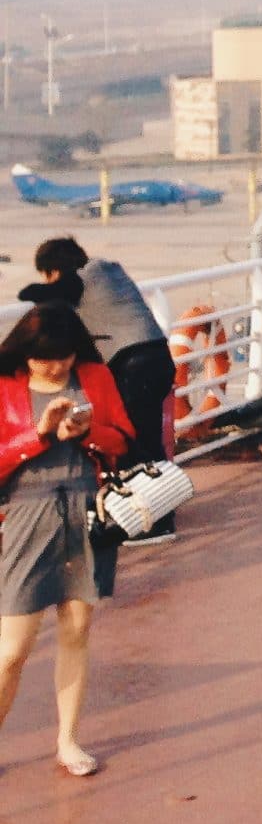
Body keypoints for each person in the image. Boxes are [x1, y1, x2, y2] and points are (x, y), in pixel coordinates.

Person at [0, 302, 134, 778]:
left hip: (87, 512)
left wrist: (87, 431)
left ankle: (68, 740)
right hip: (25, 516)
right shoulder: (5, 388)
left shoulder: (95, 377)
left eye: (64, 356)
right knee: (12, 649)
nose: (55, 366)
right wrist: (37, 435)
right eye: (43, 357)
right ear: (24, 353)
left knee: (76, 631)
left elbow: (122, 438)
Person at [25, 239, 178, 551]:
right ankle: (159, 514)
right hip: (158, 359)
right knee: (147, 443)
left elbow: (42, 298)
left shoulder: (83, 277)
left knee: (136, 445)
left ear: (55, 271)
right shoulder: (109, 271)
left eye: (46, 275)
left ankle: (156, 523)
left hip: (135, 366)